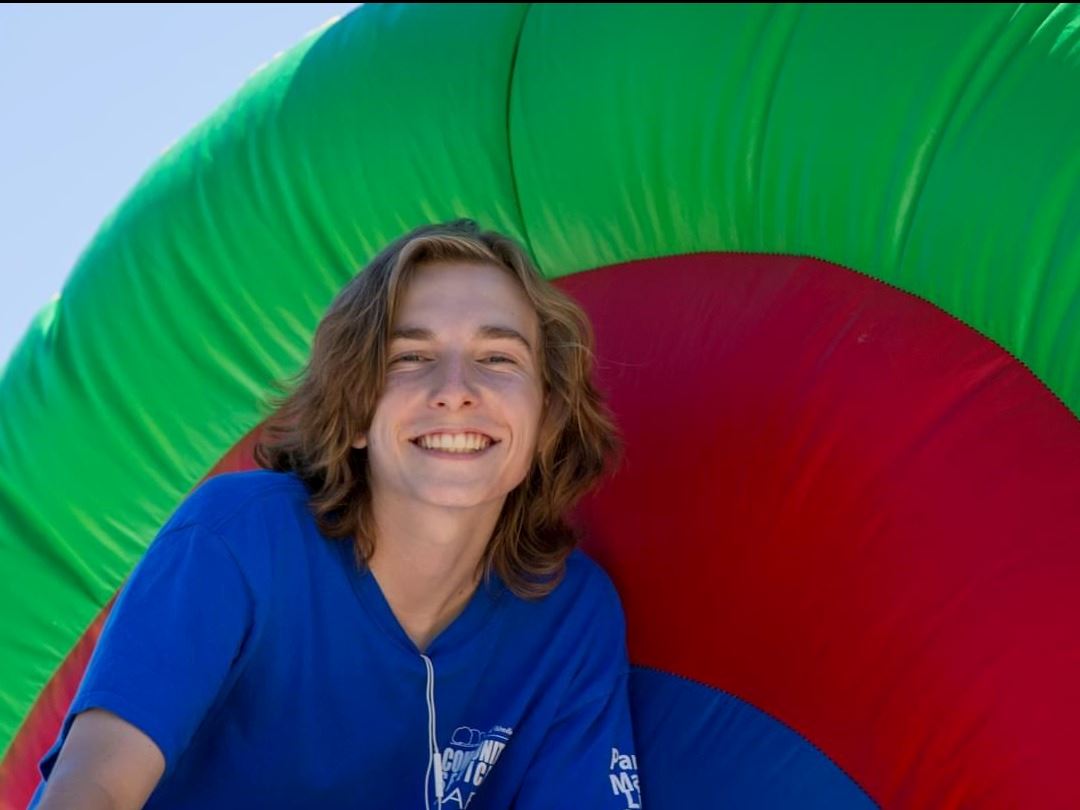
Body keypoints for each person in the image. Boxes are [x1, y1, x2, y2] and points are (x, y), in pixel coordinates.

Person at [29, 220, 643, 809]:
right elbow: (95, 787)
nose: (456, 388)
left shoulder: (570, 616)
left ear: (547, 418)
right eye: (409, 357)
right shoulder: (240, 538)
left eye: (498, 359)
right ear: (353, 413)